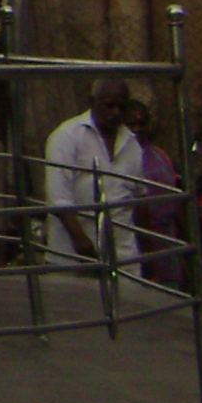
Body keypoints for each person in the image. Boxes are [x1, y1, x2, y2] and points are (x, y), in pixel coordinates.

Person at [44, 76, 141, 266]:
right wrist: (81, 241)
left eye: (122, 107)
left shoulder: (132, 144)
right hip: (73, 255)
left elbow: (138, 200)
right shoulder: (66, 137)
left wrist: (147, 253)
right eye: (109, 106)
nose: (116, 112)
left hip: (123, 256)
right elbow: (57, 199)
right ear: (92, 103)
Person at [121, 97, 183, 286]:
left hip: (168, 237)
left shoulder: (160, 156)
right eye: (131, 124)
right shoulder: (121, 160)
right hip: (140, 241)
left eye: (141, 123)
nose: (137, 129)